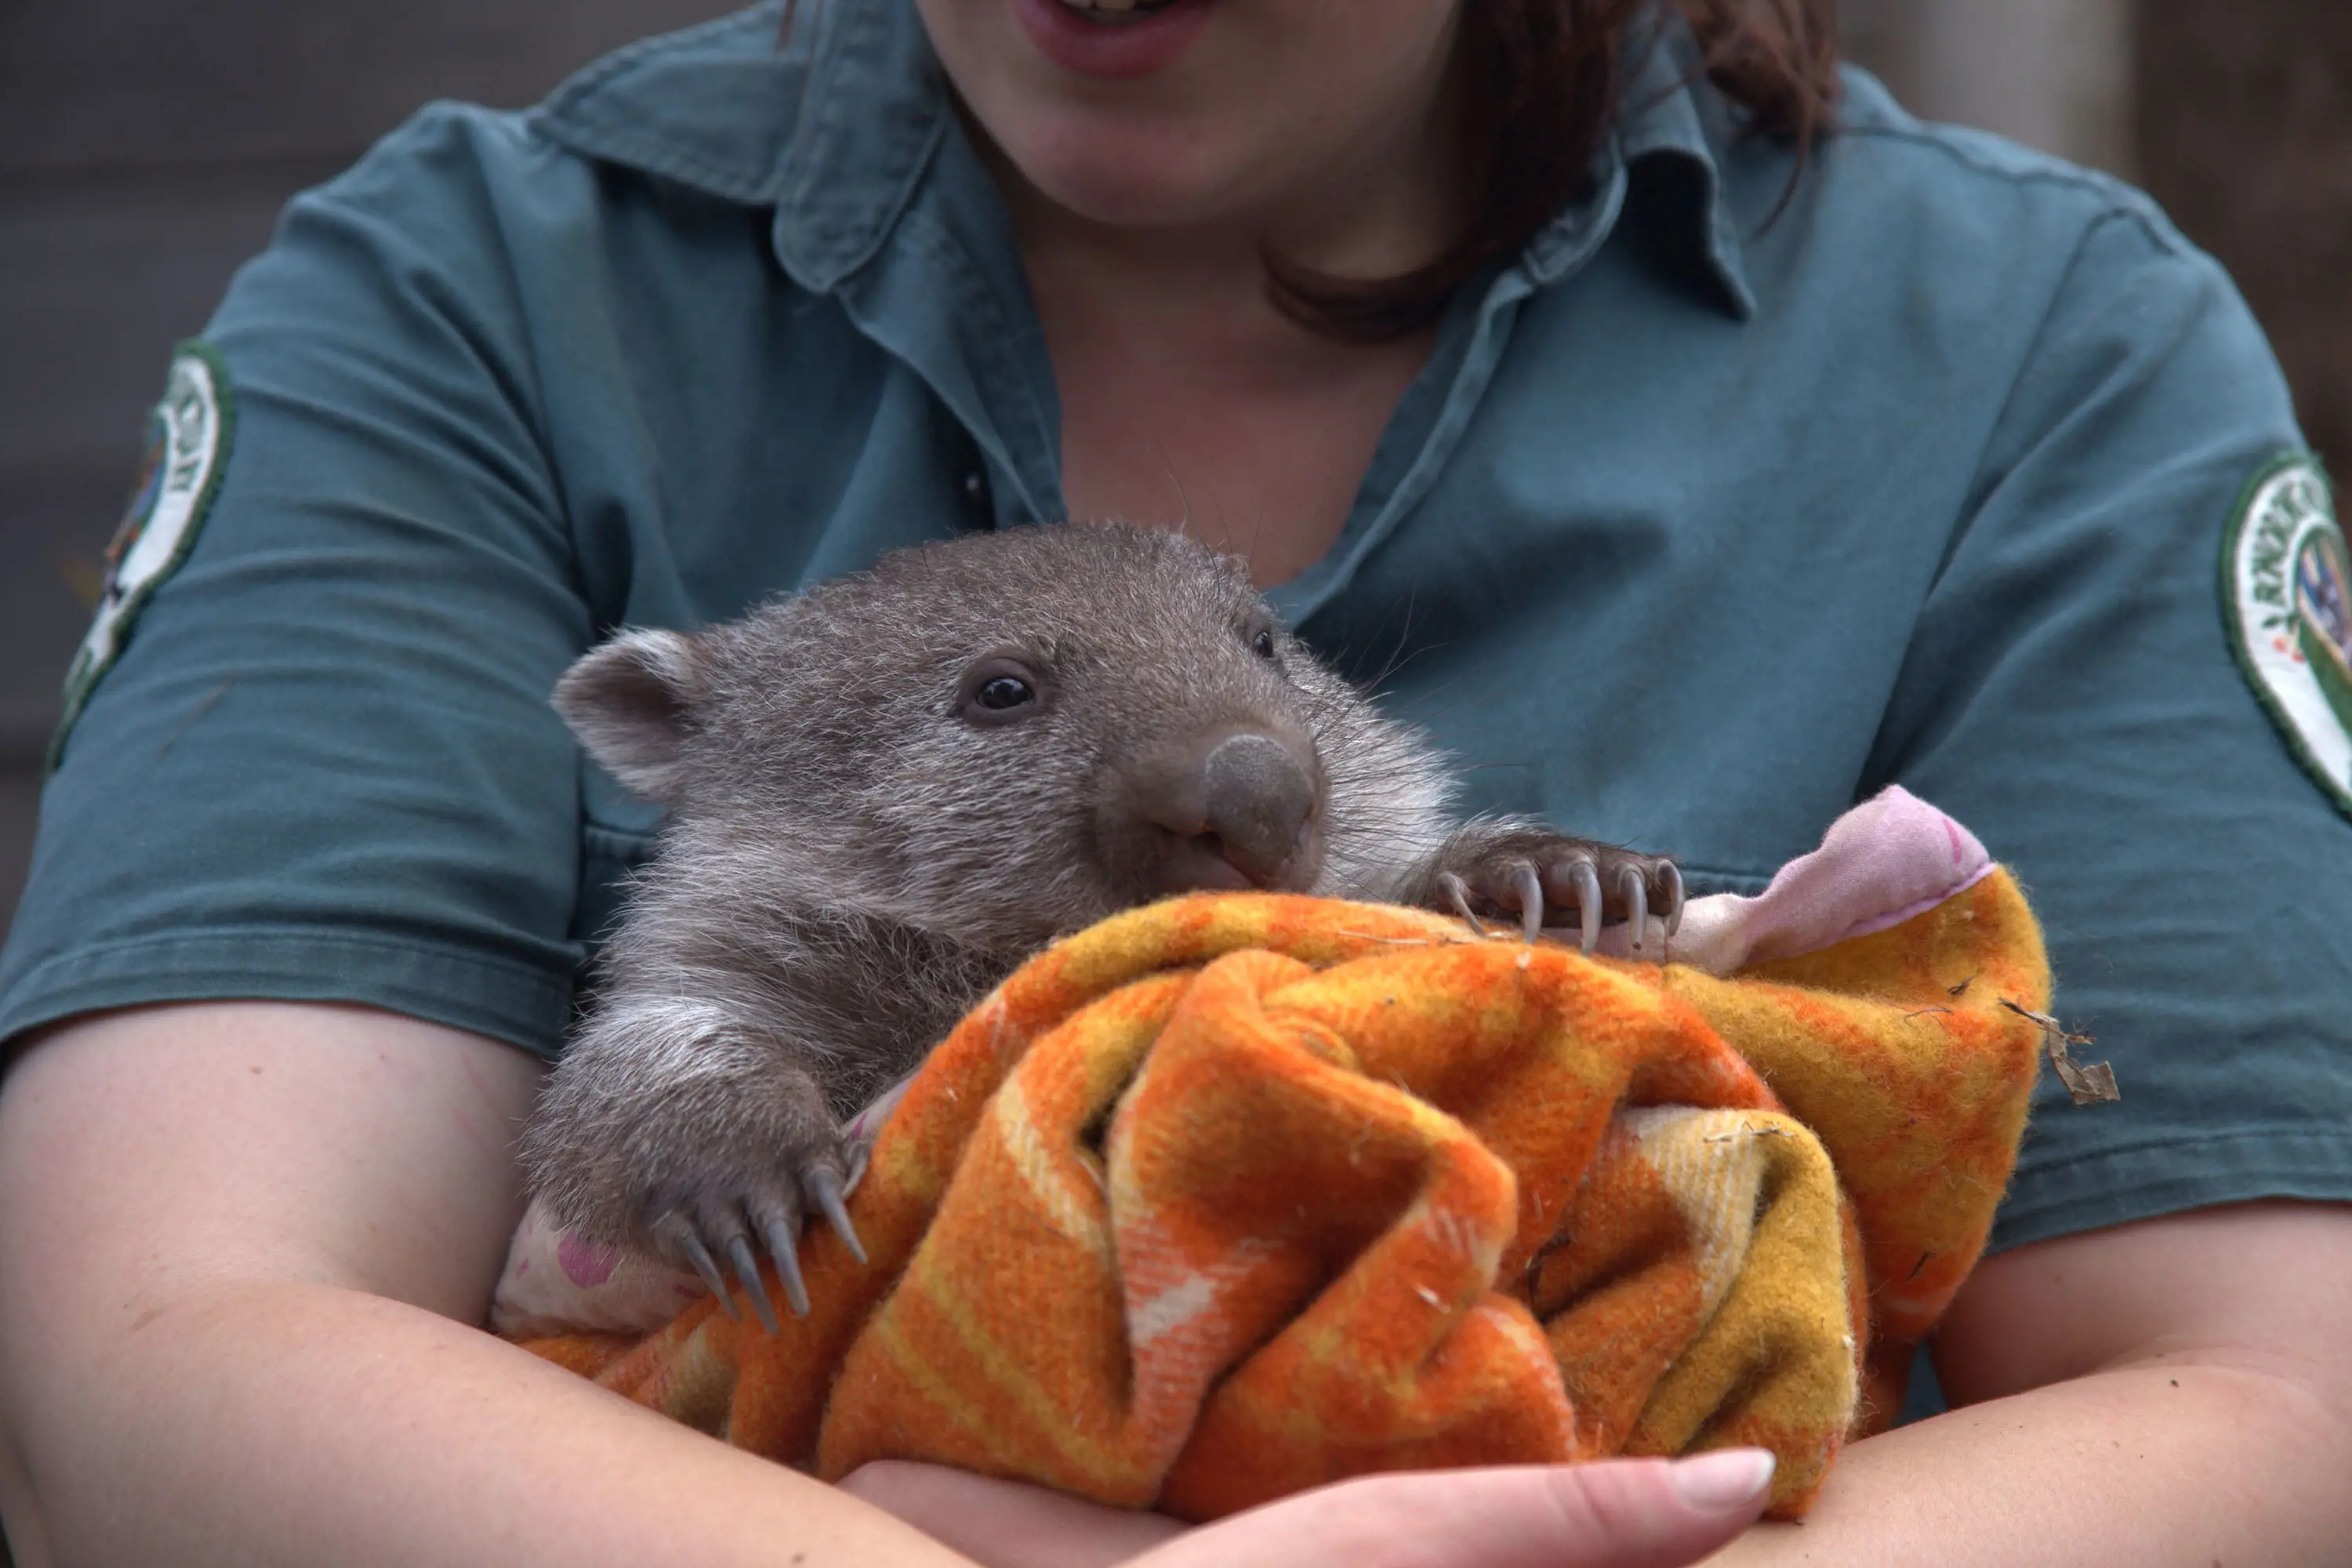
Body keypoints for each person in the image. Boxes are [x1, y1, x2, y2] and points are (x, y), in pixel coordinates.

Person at [2, 0, 2349, 1561]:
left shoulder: (2032, 350)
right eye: (1009, 709)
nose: (1226, 762)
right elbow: (161, 1353)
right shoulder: (482, 300)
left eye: (1251, 662)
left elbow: (2270, 1402)